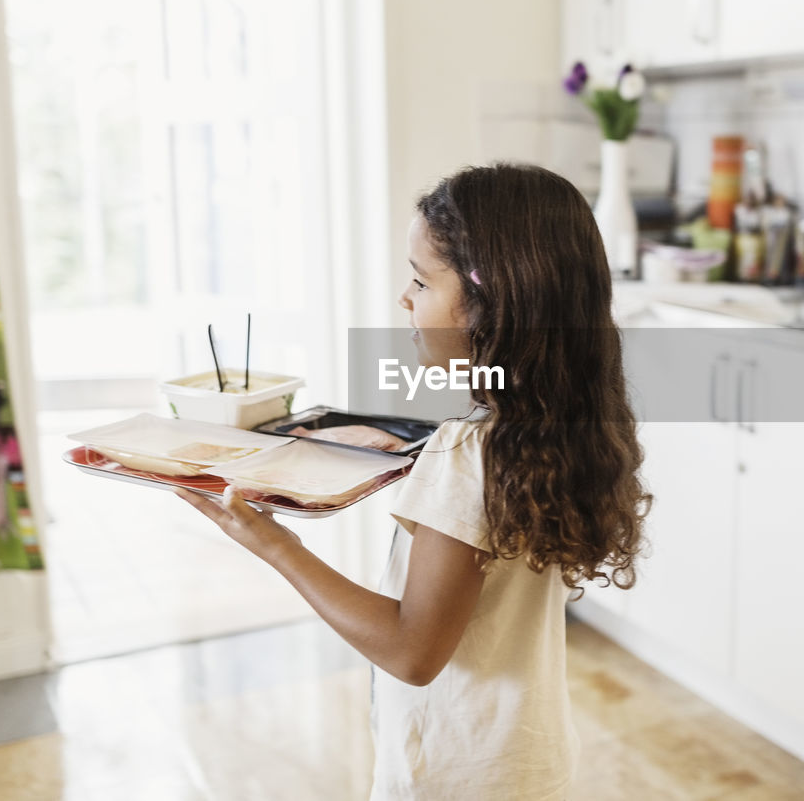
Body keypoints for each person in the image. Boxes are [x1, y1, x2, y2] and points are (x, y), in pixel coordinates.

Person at [174, 163, 651, 800]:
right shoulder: (555, 426)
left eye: (422, 280)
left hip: (454, 780)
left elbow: (412, 651)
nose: (406, 298)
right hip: (525, 763)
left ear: (492, 304)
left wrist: (273, 544)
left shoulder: (470, 452)